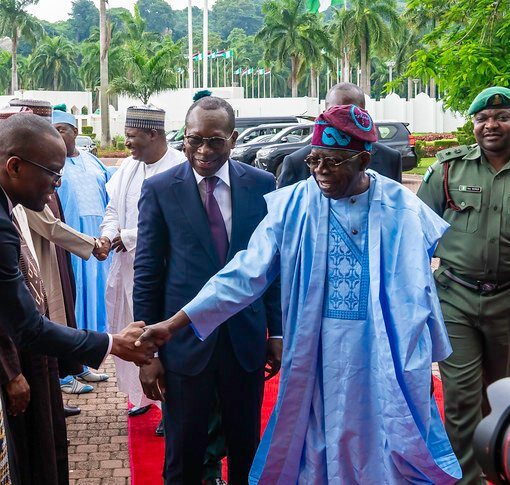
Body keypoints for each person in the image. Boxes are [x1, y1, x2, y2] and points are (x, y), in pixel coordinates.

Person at [138, 104, 463, 484]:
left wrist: (423, 360)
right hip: (316, 356)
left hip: (381, 357)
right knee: (316, 452)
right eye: (314, 160)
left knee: (384, 449)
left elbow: (420, 294)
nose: (321, 172)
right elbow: (244, 274)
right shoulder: (294, 205)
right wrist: (177, 323)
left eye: (333, 162)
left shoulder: (402, 210)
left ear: (363, 160)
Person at [133, 96, 282, 484]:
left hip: (243, 343)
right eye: (194, 139)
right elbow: (147, 274)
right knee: (184, 455)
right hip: (183, 348)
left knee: (246, 450)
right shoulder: (161, 189)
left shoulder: (263, 185)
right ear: (183, 137)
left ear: (232, 139)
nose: (202, 150)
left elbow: (271, 267)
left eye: (215, 141)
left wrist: (276, 332)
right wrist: (146, 354)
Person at [417, 86, 510, 485]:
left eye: (502, 117)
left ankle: (502, 471)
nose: (491, 125)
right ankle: (467, 480)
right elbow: (414, 236)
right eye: (482, 119)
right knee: (461, 400)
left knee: (503, 396)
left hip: (508, 301)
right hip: (455, 297)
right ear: (472, 124)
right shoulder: (447, 170)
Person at [100, 105, 186, 416]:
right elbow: (112, 211)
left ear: (153, 134)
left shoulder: (180, 168)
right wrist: (108, 236)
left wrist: (128, 236)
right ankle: (143, 397)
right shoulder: (127, 168)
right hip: (127, 268)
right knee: (132, 331)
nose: (127, 143)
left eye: (132, 137)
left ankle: (169, 405)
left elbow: (180, 223)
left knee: (163, 334)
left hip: (165, 271)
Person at [52, 109, 110, 333]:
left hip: (98, 246)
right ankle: (75, 362)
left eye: (61, 131)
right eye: (52, 132)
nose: (56, 137)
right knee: (71, 295)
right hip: (67, 243)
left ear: (75, 132)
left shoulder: (94, 163)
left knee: (98, 295)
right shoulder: (50, 164)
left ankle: (93, 355)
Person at [277, 82, 402, 187]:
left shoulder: (390, 158)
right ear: (324, 113)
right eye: (335, 112)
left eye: (350, 113)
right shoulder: (296, 162)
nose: (342, 119)